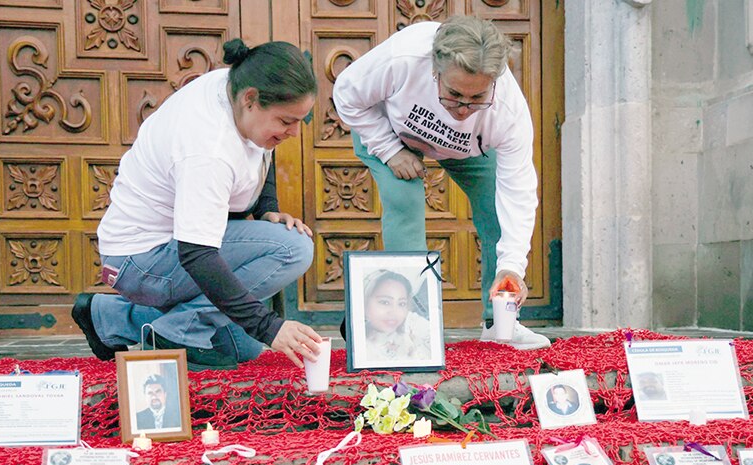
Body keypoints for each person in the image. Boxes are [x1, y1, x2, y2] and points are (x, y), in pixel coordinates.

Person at [71, 38, 323, 370]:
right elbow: (197, 253)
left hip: (167, 249)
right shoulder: (207, 149)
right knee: (294, 248)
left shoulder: (238, 87)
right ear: (251, 99)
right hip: (144, 260)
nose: (293, 132)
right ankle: (175, 333)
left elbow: (263, 150)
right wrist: (269, 327)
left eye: (299, 121)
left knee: (242, 348)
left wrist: (266, 206)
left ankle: (112, 318)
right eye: (286, 121)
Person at [332, 15, 549, 351]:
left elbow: (517, 192)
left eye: (476, 98)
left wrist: (512, 266)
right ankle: (413, 330)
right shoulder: (404, 57)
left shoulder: (507, 111)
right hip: (390, 132)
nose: (463, 109)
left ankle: (500, 323)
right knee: (405, 203)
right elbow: (346, 93)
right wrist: (389, 150)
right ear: (434, 71)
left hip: (466, 148)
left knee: (496, 210)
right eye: (453, 94)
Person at [362, 270, 431, 361]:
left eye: (401, 304)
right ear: (365, 302)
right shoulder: (361, 347)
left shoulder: (412, 326)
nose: (394, 312)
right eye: (385, 302)